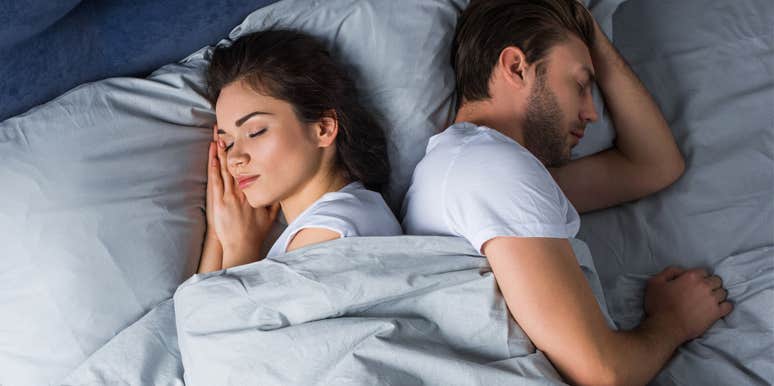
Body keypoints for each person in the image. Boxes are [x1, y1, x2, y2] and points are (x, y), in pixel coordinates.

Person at [401, 1, 732, 385]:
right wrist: (673, 322)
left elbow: (655, 165)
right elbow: (604, 373)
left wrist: (587, 30)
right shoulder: (491, 168)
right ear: (516, 67)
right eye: (579, 85)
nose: (592, 112)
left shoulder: (470, 165)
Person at [198, 29, 402, 273]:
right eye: (228, 143)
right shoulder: (347, 215)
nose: (234, 159)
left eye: (255, 132)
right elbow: (200, 297)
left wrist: (239, 248)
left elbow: (220, 300)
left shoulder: (331, 233)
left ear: (323, 128)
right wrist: (217, 234)